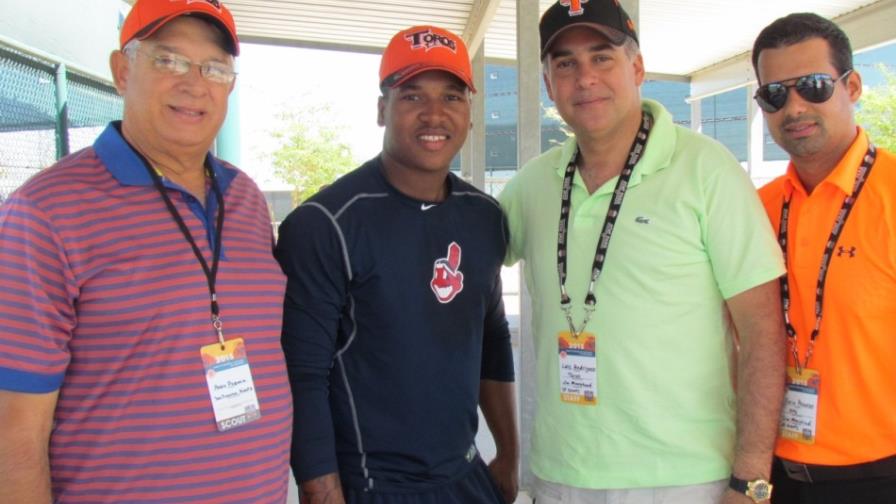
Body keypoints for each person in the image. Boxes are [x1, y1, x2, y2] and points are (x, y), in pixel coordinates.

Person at [0, 1, 292, 502]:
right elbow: (13, 433)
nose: (194, 83)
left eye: (214, 68)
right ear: (121, 71)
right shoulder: (45, 211)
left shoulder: (243, 197)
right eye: (168, 60)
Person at [499, 1, 788, 503]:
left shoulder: (706, 169)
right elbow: (450, 257)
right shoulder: (531, 185)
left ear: (637, 69)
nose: (585, 78)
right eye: (565, 64)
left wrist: (751, 479)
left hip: (684, 478)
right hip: (560, 475)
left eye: (602, 57)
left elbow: (762, 330)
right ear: (548, 85)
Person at [275, 25, 518, 504]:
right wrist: (320, 488)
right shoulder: (325, 224)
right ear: (382, 109)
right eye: (412, 96)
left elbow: (491, 336)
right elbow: (303, 373)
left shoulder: (484, 216)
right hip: (370, 486)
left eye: (452, 96)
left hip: (465, 477)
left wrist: (509, 455)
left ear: (469, 111)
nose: (434, 113)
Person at [751, 13, 896, 504]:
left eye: (812, 86)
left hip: (880, 478)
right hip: (770, 475)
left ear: (851, 86)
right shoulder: (756, 209)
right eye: (774, 94)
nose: (794, 107)